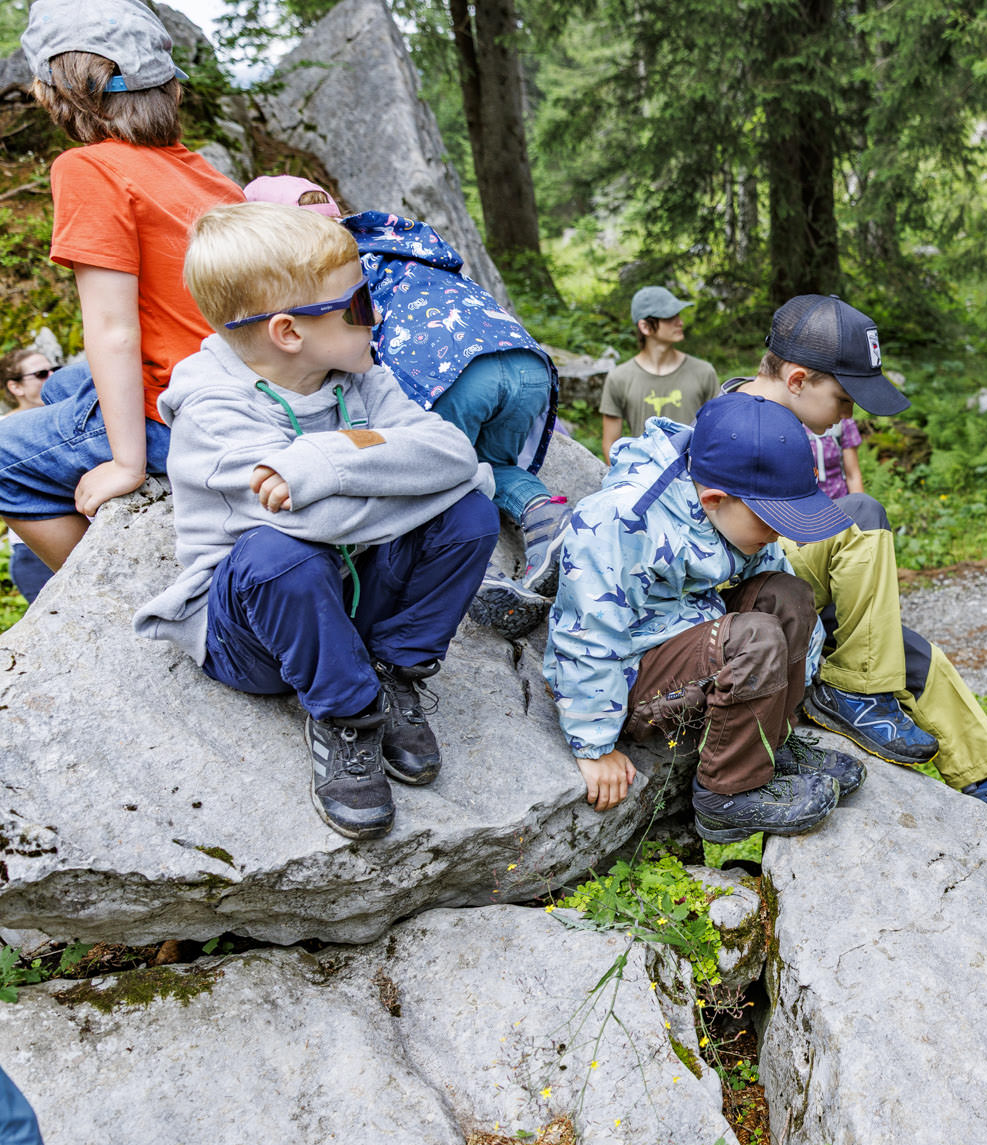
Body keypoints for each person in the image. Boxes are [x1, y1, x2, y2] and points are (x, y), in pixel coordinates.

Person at [136, 203, 501, 839]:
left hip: (352, 596)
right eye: (358, 304)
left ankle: (391, 671)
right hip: (256, 637)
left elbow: (452, 454)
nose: (377, 315)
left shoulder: (358, 375)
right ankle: (347, 715)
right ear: (287, 332)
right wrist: (407, 476)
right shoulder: (215, 414)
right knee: (282, 554)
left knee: (470, 514)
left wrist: (324, 460)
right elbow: (320, 524)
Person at [728, 295, 987, 835]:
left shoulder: (779, 423)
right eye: (844, 399)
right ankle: (856, 691)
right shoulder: (737, 430)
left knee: (917, 656)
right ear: (797, 380)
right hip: (755, 606)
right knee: (863, 513)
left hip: (792, 588)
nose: (849, 416)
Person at [242, 174, 566, 638]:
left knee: (427, 469)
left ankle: (481, 578)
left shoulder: (322, 274)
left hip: (449, 371)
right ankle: (544, 514)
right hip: (522, 359)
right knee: (489, 462)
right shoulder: (398, 240)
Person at [544, 390, 865, 845]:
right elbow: (586, 636)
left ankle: (770, 742)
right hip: (632, 672)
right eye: (771, 521)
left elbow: (776, 585)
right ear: (715, 499)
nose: (778, 533)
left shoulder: (735, 508)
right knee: (756, 637)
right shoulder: (621, 520)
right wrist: (594, 746)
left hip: (690, 632)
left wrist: (798, 675)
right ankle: (726, 793)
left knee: (788, 593)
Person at [0, 0, 242, 574]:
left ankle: (111, 590)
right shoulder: (208, 176)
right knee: (58, 388)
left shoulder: (87, 168)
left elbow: (113, 331)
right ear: (171, 86)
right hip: (241, 388)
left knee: (3, 458)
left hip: (185, 416)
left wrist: (127, 465)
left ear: (53, 95)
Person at [600, 287, 721, 450]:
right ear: (645, 326)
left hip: (693, 467)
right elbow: (610, 443)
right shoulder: (619, 378)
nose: (680, 322)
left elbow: (717, 433)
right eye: (669, 317)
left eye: (678, 315)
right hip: (642, 467)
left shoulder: (704, 372)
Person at [0, 351, 57, 604]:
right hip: (34, 550)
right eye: (41, 374)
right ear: (15, 387)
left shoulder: (67, 416)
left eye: (55, 370)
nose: (52, 377)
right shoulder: (4, 431)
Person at [811, 415, 865, 500]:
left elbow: (853, 475)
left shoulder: (843, 421)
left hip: (841, 500)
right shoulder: (792, 423)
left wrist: (859, 504)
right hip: (806, 503)